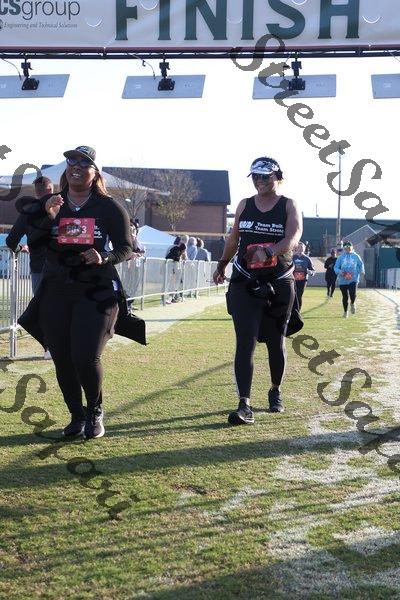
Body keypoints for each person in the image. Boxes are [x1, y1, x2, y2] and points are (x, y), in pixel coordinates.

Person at [18, 145, 136, 440]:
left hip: (96, 290)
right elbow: (35, 243)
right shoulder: (51, 203)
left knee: (85, 356)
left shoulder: (109, 207)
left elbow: (126, 248)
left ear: (95, 172)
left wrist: (104, 257)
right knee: (62, 357)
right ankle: (76, 415)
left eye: (84, 163)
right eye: (71, 161)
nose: (76, 167)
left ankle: (95, 410)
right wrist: (48, 217)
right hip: (56, 289)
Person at [213, 156, 302, 424]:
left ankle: (275, 390)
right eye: (255, 176)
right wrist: (222, 264)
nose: (260, 181)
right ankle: (244, 404)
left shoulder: (288, 205)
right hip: (245, 280)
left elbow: (293, 237)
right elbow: (234, 239)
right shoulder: (244, 204)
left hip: (279, 282)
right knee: (245, 341)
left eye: (265, 176)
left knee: (276, 341)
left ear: (278, 178)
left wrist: (270, 251)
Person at [6, 176, 54, 294]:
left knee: (40, 303)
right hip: (63, 268)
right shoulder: (64, 208)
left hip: (38, 267)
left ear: (36, 191)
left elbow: (11, 241)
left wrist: (20, 248)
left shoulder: (28, 212)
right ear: (50, 190)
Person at [334, 240, 365, 318]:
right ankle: (345, 312)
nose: (347, 248)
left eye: (349, 247)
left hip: (353, 278)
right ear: (344, 248)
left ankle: (352, 303)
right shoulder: (340, 257)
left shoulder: (356, 256)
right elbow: (336, 268)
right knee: (345, 296)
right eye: (346, 247)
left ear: (352, 247)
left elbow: (361, 264)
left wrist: (362, 271)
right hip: (343, 280)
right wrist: (342, 272)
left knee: (352, 293)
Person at [292, 242, 315, 311]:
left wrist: (310, 272)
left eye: (302, 247)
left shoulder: (307, 259)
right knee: (292, 295)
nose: (300, 249)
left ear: (304, 249)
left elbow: (313, 271)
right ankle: (292, 311)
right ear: (296, 248)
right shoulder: (292, 257)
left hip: (302, 280)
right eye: (298, 247)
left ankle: (298, 311)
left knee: (299, 296)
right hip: (293, 280)